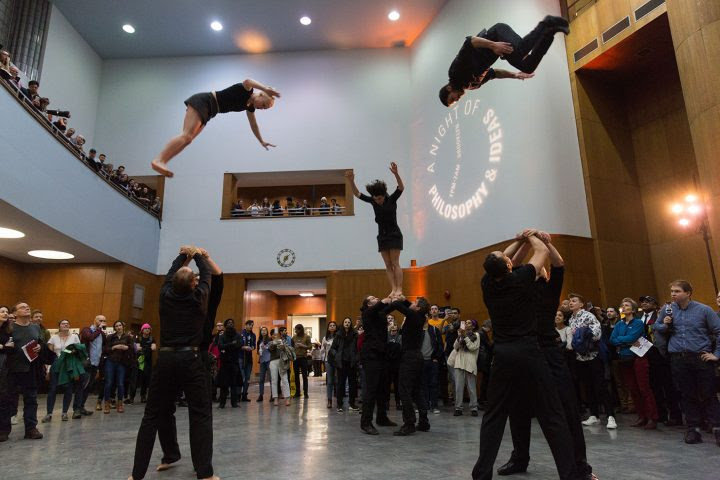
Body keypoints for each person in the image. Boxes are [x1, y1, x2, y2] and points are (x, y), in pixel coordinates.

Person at [471, 231, 582, 480]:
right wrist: (530, 234)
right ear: (509, 266)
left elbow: (508, 258)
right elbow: (541, 252)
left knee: (494, 415)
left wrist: (520, 240)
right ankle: (570, 475)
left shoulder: (487, 283)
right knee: (552, 414)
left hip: (502, 355)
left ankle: (481, 474)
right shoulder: (522, 279)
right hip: (529, 352)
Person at [496, 232, 594, 478]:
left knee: (566, 410)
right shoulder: (518, 286)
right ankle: (519, 458)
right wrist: (527, 238)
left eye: (540, 268)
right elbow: (513, 263)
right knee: (517, 409)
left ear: (545, 273)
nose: (538, 269)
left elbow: (559, 263)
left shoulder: (550, 291)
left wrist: (543, 241)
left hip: (548, 352)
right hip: (524, 353)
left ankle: (580, 467)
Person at [129, 246, 218, 480]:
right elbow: (207, 274)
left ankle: (136, 475)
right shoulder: (199, 298)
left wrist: (183, 255)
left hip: (166, 359)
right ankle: (205, 473)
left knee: (151, 415)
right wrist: (198, 255)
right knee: (200, 414)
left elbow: (171, 273)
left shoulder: (164, 295)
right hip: (191, 359)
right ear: (193, 285)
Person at [150, 79, 280, 177]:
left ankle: (163, 161)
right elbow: (248, 80)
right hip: (205, 101)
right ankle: (159, 160)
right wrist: (266, 88)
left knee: (188, 139)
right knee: (186, 135)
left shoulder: (249, 106)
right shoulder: (246, 90)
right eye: (263, 105)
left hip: (210, 111)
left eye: (264, 108)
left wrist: (261, 141)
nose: (262, 108)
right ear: (261, 95)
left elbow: (253, 124)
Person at [439, 16, 570, 107]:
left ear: (449, 88)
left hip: (497, 34)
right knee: (527, 67)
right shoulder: (472, 85)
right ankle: (550, 32)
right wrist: (514, 75)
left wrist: (493, 45)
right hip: (500, 49)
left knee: (520, 50)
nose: (456, 99)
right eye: (454, 101)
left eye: (452, 98)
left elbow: (470, 41)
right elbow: (494, 73)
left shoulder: (455, 72)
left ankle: (548, 23)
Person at [653, 280, 720, 446]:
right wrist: (664, 325)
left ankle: (717, 428)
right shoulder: (667, 310)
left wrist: (717, 354)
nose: (673, 294)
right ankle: (693, 429)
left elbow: (719, 332)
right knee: (686, 395)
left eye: (677, 291)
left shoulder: (704, 310)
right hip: (678, 358)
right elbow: (656, 327)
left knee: (708, 394)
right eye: (672, 291)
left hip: (700, 357)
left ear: (688, 293)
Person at [346, 163, 405, 299]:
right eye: (375, 198)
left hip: (394, 234)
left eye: (379, 198)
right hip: (382, 236)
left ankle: (399, 289)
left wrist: (396, 173)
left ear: (384, 195)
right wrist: (351, 181)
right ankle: (393, 289)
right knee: (388, 264)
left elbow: (401, 188)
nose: (377, 201)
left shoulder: (391, 199)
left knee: (395, 263)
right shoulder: (373, 201)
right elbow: (357, 194)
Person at [568, 293, 616, 430]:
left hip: (593, 355)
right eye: (570, 301)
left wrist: (584, 335)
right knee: (587, 386)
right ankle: (593, 414)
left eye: (574, 301)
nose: (571, 303)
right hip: (580, 357)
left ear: (581, 304)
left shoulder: (588, 316)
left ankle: (610, 416)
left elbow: (596, 333)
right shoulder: (571, 319)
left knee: (600, 386)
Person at [386, 296, 432, 436]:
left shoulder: (413, 315)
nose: (411, 303)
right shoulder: (419, 316)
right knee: (417, 390)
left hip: (409, 358)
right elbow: (406, 305)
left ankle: (409, 424)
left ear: (417, 307)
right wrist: (404, 298)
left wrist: (394, 297)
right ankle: (423, 422)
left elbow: (398, 306)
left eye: (414, 303)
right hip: (417, 357)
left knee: (404, 390)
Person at [610, 298, 658, 430]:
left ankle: (652, 417)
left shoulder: (637, 323)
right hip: (624, 359)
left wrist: (623, 340)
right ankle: (641, 416)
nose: (624, 307)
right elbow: (612, 339)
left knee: (644, 388)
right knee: (633, 389)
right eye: (622, 305)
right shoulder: (619, 324)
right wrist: (625, 341)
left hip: (638, 358)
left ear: (633, 309)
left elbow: (632, 337)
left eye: (627, 305)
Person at [0, 302, 43, 440]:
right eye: (22, 307)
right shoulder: (9, 328)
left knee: (31, 399)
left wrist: (40, 348)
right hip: (11, 369)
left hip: (30, 369)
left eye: (27, 307)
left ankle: (31, 429)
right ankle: (3, 430)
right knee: (7, 400)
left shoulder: (36, 327)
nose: (27, 308)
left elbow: (40, 342)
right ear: (15, 312)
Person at [358, 295, 398, 435]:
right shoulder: (367, 313)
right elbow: (380, 306)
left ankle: (381, 417)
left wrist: (395, 298)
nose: (376, 297)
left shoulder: (379, 312)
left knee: (383, 388)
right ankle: (366, 423)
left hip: (382, 354)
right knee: (371, 389)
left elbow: (390, 307)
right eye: (372, 298)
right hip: (371, 355)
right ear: (368, 304)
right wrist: (384, 301)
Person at [42, 319, 84, 422]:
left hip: (69, 365)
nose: (65, 325)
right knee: (52, 390)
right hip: (56, 364)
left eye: (67, 323)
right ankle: (49, 414)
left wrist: (68, 352)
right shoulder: (53, 338)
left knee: (68, 389)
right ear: (59, 326)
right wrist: (48, 370)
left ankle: (64, 413)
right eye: (63, 323)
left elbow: (78, 351)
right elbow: (50, 356)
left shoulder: (74, 337)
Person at [451, 319, 481, 416]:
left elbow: (473, 347)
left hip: (470, 364)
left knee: (471, 388)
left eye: (469, 323)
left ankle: (474, 408)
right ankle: (458, 408)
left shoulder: (476, 335)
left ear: (473, 326)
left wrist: (465, 337)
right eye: (466, 323)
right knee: (458, 387)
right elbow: (455, 347)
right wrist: (460, 336)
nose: (467, 324)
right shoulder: (461, 335)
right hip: (459, 363)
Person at [103, 321, 134, 414]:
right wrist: (114, 347)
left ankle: (120, 404)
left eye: (120, 325)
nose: (118, 327)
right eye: (116, 326)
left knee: (120, 383)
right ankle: (107, 404)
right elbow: (106, 350)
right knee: (108, 383)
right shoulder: (110, 337)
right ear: (114, 328)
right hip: (111, 361)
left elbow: (133, 348)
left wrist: (127, 347)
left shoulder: (128, 337)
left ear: (123, 326)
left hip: (122, 362)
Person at [330, 317, 359, 412]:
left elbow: (358, 347)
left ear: (351, 324)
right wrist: (337, 355)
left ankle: (352, 403)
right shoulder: (338, 334)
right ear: (343, 323)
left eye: (349, 322)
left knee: (352, 384)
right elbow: (333, 348)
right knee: (340, 384)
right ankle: (339, 404)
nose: (347, 323)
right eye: (345, 322)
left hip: (351, 362)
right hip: (341, 362)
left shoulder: (355, 334)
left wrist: (356, 357)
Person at [79, 315, 107, 413]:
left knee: (89, 386)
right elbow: (90, 338)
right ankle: (77, 408)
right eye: (100, 320)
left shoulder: (102, 334)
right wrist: (99, 329)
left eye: (104, 321)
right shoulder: (87, 329)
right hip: (87, 362)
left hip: (96, 363)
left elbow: (103, 347)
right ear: (95, 320)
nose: (103, 322)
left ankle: (81, 407)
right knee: (83, 385)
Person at [0, 305, 16, 442]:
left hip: (5, 368)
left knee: (4, 398)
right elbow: (7, 347)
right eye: (2, 311)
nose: (5, 314)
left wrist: (2, 347)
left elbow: (12, 348)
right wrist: (4, 347)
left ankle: (4, 430)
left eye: (7, 312)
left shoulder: (9, 331)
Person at [217, 318, 240, 409]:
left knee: (234, 383)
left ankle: (234, 403)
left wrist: (227, 346)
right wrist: (231, 344)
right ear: (226, 325)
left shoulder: (237, 335)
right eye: (228, 323)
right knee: (224, 384)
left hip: (234, 362)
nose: (230, 324)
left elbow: (239, 345)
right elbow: (220, 346)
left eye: (232, 322)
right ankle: (222, 403)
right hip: (225, 362)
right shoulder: (222, 336)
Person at [268, 329, 292, 407]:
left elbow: (287, 350)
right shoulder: (270, 343)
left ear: (279, 335)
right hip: (273, 362)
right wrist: (274, 343)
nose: (275, 336)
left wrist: (283, 347)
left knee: (285, 379)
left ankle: (287, 398)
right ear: (271, 336)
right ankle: (275, 398)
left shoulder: (283, 341)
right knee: (274, 380)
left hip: (282, 361)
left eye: (276, 334)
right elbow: (270, 348)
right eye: (273, 335)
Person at [136, 324, 156, 403]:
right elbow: (137, 348)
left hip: (148, 361)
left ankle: (143, 395)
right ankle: (131, 396)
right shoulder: (139, 338)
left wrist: (143, 347)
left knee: (146, 378)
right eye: (145, 328)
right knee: (137, 377)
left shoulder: (152, 338)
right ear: (142, 330)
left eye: (149, 328)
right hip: (139, 360)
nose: (147, 330)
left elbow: (154, 348)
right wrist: (148, 347)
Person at [322, 321, 338, 409]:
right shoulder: (325, 338)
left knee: (337, 380)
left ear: (336, 327)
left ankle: (339, 400)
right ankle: (329, 400)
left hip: (337, 361)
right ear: (328, 328)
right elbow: (322, 351)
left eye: (334, 325)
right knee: (330, 381)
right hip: (328, 360)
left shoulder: (339, 337)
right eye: (330, 326)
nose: (332, 327)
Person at [239, 320, 256, 402]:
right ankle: (238, 394)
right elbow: (238, 345)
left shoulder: (253, 335)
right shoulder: (240, 334)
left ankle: (244, 395)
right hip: (241, 358)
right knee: (241, 377)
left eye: (252, 325)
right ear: (245, 325)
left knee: (247, 378)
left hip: (249, 359)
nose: (251, 326)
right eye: (249, 325)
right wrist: (244, 347)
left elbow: (254, 346)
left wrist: (252, 348)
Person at [256, 327, 272, 402]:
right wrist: (260, 350)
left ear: (267, 331)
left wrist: (265, 347)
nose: (263, 331)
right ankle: (261, 395)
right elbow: (257, 352)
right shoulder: (259, 341)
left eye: (265, 330)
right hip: (262, 361)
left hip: (269, 360)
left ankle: (273, 394)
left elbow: (272, 349)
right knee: (261, 379)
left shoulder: (270, 339)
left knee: (271, 378)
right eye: (262, 330)